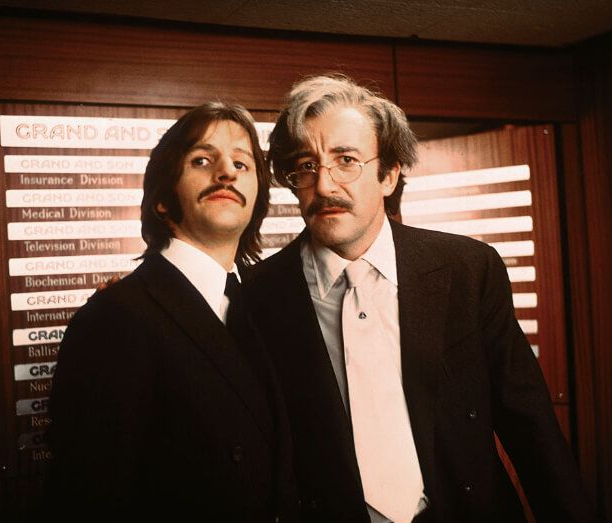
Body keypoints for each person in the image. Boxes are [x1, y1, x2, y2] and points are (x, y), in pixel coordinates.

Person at [245, 74, 593, 522]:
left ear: (389, 175)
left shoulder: (468, 269)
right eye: (307, 166)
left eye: (346, 160)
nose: (325, 185)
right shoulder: (259, 295)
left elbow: (529, 423)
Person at [45, 102, 298, 522]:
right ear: (162, 199)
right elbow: (87, 496)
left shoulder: (263, 304)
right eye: (202, 160)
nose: (227, 172)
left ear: (257, 200)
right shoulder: (114, 319)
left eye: (242, 163)